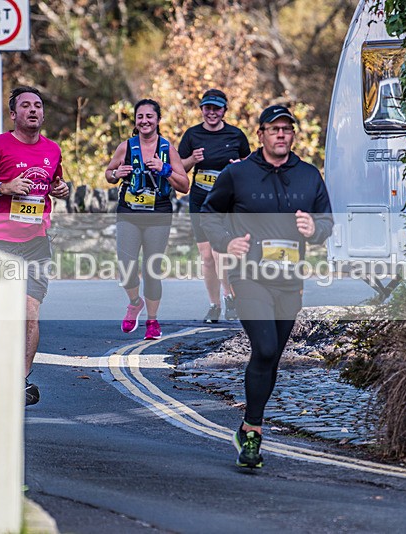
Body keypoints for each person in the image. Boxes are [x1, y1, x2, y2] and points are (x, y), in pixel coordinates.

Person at [200, 104, 333, 468]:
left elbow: (326, 222)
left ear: (293, 135)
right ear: (260, 134)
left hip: (289, 281)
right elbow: (209, 213)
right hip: (249, 276)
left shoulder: (309, 175)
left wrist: (315, 229)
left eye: (286, 129)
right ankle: (254, 432)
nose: (281, 134)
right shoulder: (238, 173)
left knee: (270, 356)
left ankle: (247, 428)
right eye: (274, 129)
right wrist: (226, 242)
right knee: (265, 346)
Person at [0, 86, 69, 406]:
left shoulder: (52, 150)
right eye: (25, 106)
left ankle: (19, 382)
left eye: (38, 105)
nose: (33, 110)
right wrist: (4, 187)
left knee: (29, 314)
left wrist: (61, 189)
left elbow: (53, 182)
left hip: (35, 243)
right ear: (13, 114)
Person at [105, 99, 189, 340]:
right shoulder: (126, 147)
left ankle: (152, 321)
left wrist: (165, 169)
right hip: (129, 212)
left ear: (158, 120)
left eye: (149, 116)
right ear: (135, 120)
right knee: (126, 266)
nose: (144, 121)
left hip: (158, 214)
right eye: (140, 116)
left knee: (151, 268)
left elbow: (184, 185)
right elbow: (109, 174)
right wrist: (116, 173)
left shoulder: (167, 149)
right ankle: (135, 303)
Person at [179, 89, 251, 323]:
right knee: (207, 256)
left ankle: (230, 297)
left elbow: (250, 166)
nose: (212, 113)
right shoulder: (192, 135)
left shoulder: (236, 135)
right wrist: (192, 159)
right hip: (200, 200)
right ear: (202, 109)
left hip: (225, 201)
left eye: (216, 108)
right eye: (207, 108)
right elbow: (180, 169)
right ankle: (214, 305)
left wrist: (239, 166)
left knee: (222, 253)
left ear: (224, 110)